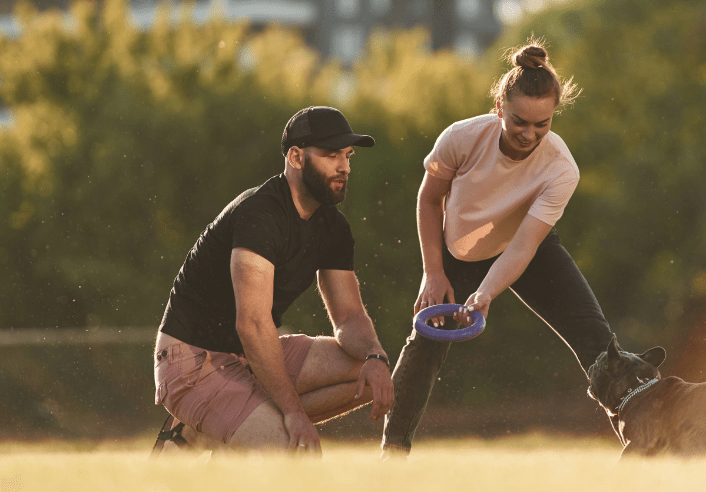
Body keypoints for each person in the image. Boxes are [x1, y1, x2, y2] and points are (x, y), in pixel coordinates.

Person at [380, 41, 615, 456]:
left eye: (542, 125)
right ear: (499, 107)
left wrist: (486, 293)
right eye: (520, 121)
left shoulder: (561, 169)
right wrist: (433, 272)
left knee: (597, 339)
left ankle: (645, 431)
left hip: (527, 246)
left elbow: (525, 246)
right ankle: (392, 453)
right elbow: (429, 199)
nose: (530, 134)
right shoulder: (462, 137)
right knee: (425, 344)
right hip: (460, 248)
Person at [151, 106, 393, 456]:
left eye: (347, 155)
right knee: (292, 454)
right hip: (192, 361)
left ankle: (223, 430)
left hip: (248, 358)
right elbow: (251, 323)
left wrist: (376, 357)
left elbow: (350, 317)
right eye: (331, 155)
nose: (344, 166)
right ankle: (208, 431)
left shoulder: (333, 227)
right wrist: (294, 414)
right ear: (296, 157)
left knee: (368, 374)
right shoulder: (260, 213)